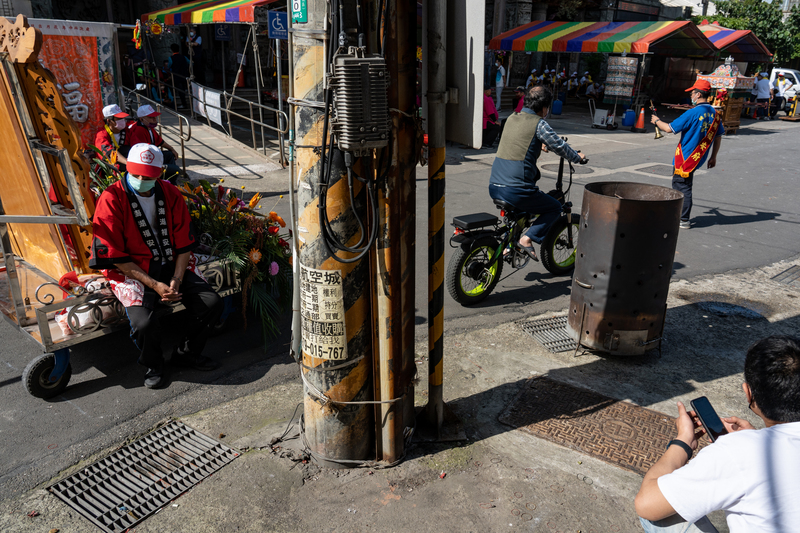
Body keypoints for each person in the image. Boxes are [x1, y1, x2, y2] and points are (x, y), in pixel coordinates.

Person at [635, 334, 800, 533]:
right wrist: (757, 437)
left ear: (749, 393)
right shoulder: (748, 448)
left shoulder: (740, 452)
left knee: (661, 517)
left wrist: (683, 442)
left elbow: (646, 504)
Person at [89, 144, 223, 389]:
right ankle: (154, 364)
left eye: (148, 176)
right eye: (136, 174)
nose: (141, 180)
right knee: (144, 323)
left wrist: (177, 279)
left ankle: (187, 352)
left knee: (211, 302)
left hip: (171, 262)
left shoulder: (170, 193)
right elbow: (114, 255)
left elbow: (184, 244)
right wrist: (154, 285)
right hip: (130, 270)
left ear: (160, 172)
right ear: (127, 168)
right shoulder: (111, 198)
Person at [488, 86, 584, 261]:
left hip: (494, 185)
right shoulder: (539, 124)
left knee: (520, 214)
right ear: (545, 107)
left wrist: (538, 143)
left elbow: (517, 140)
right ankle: (526, 239)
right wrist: (577, 157)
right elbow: (559, 146)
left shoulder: (511, 118)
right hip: (517, 189)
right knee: (554, 207)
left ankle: (509, 245)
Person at [651, 79, 723, 230]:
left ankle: (682, 218)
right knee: (685, 185)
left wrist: (657, 121)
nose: (691, 96)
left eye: (692, 93)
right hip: (699, 156)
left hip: (686, 158)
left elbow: (670, 129)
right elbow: (718, 136)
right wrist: (713, 156)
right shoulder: (715, 114)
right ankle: (680, 216)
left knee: (681, 187)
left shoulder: (693, 113)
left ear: (698, 94)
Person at [125, 104, 181, 182]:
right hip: (145, 161)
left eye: (155, 117)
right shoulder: (138, 130)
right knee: (175, 169)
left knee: (170, 154)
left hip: (150, 156)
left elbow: (160, 141)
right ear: (141, 119)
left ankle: (168, 181)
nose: (154, 119)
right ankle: (166, 182)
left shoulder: (148, 127)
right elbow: (142, 154)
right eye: (151, 117)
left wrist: (172, 149)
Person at [94, 104, 131, 172]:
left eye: (123, 118)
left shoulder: (127, 131)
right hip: (109, 170)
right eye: (119, 118)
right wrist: (127, 162)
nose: (123, 120)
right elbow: (108, 152)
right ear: (109, 121)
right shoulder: (101, 134)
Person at [168, 43, 190, 109]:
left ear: (171, 50)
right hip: (184, 76)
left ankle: (184, 104)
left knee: (180, 91)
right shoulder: (184, 57)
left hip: (176, 77)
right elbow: (190, 63)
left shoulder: (171, 58)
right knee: (183, 89)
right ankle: (184, 103)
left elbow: (169, 66)